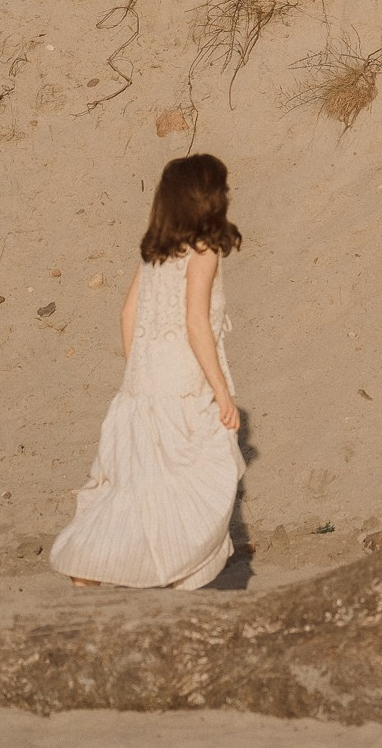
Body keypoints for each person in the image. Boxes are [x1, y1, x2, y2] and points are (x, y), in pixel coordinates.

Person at [50, 154, 244, 590]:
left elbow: (126, 316)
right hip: (181, 385)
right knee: (193, 482)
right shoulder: (204, 252)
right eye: (222, 189)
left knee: (132, 487)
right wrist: (222, 393)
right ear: (207, 198)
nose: (227, 196)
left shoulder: (156, 253)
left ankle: (90, 568)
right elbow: (196, 324)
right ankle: (176, 575)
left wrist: (139, 371)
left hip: (141, 384)